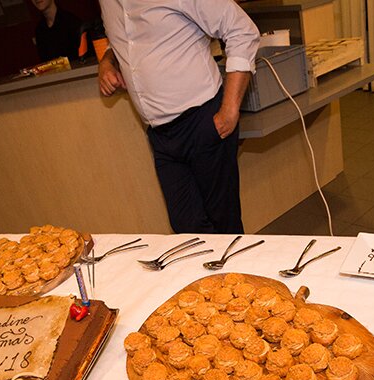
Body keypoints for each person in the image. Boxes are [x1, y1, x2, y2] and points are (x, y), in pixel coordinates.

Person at [97, 1, 260, 234]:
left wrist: (230, 110)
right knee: (187, 229)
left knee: (224, 226)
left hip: (204, 120)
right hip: (160, 135)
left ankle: (238, 271)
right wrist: (107, 61)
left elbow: (242, 30)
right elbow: (126, 40)